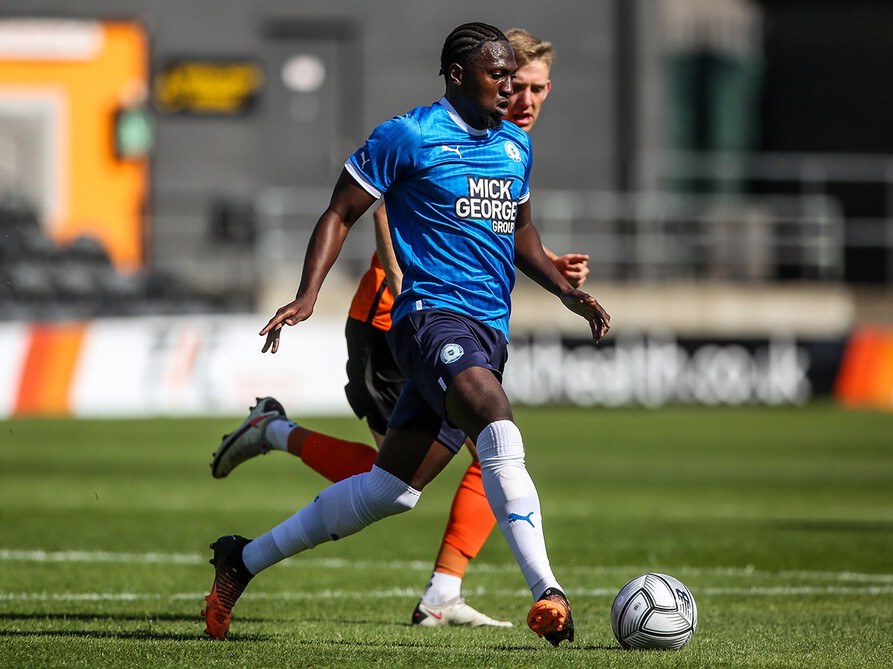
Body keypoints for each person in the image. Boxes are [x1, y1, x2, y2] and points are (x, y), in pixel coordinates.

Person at [201, 22, 610, 647]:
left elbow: (521, 229)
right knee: (495, 417)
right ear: (456, 76)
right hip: (426, 320)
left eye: (516, 78)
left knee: (389, 491)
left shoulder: (513, 146)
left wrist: (561, 288)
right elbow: (341, 210)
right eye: (496, 75)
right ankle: (546, 593)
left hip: (487, 329)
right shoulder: (411, 134)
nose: (508, 88)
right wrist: (308, 295)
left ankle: (242, 560)